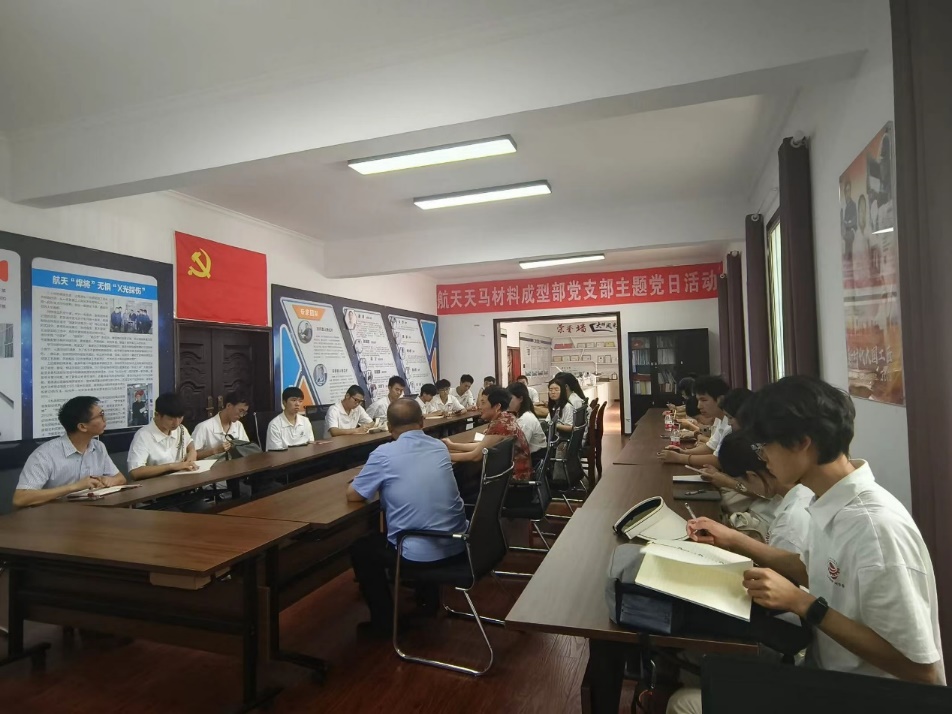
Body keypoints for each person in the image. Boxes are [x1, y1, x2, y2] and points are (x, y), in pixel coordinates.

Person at [668, 376, 944, 714]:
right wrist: (734, 539)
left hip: (864, 697)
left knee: (684, 704)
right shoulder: (829, 500)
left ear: (802, 443)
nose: (763, 458)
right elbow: (810, 570)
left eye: (764, 446)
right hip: (824, 675)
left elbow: (921, 670)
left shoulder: (875, 528)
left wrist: (802, 603)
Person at [347, 399, 469, 636]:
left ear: (389, 427)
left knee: (362, 549)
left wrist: (357, 481)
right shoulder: (438, 447)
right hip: (459, 543)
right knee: (420, 521)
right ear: (422, 422)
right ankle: (427, 600)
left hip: (419, 554)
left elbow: (354, 495)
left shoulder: (383, 454)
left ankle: (383, 624)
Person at [14, 396, 126, 507]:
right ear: (82, 427)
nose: (105, 419)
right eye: (101, 415)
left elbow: (120, 478)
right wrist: (75, 487)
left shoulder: (98, 447)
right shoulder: (44, 454)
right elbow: (20, 498)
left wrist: (107, 480)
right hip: (54, 515)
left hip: (91, 511)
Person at [444, 386, 531, 481]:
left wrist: (443, 456)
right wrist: (451, 445)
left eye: (483, 403)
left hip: (513, 477)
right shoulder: (506, 417)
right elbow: (482, 446)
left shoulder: (500, 425)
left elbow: (475, 456)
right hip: (511, 472)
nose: (479, 407)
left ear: (497, 406)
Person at [658, 376, 731, 468]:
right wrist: (683, 452)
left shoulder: (731, 424)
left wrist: (679, 458)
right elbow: (710, 447)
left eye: (703, 400)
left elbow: (719, 460)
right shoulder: (720, 420)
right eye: (698, 400)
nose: (699, 406)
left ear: (720, 400)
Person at [127, 392, 199, 479]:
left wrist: (192, 453)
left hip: (180, 481)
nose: (176, 423)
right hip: (156, 485)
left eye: (180, 417)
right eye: (170, 419)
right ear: (157, 415)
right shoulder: (143, 435)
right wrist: (171, 466)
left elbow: (190, 445)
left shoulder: (181, 429)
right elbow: (135, 472)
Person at [191, 391, 251, 459]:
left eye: (244, 413)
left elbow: (246, 449)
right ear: (228, 406)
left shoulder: (238, 425)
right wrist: (215, 451)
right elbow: (190, 456)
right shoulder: (203, 427)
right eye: (240, 411)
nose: (241, 415)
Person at [508, 382, 547, 465]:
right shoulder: (521, 414)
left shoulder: (526, 419)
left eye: (509, 398)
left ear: (520, 399)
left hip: (533, 460)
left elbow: (519, 446)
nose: (507, 402)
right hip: (532, 455)